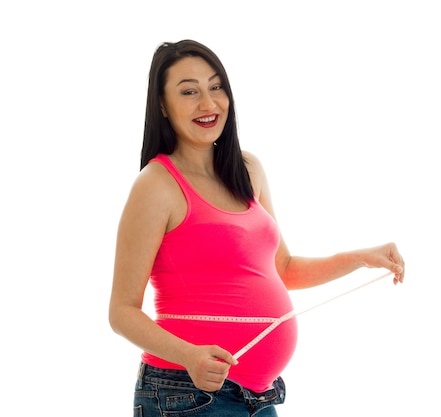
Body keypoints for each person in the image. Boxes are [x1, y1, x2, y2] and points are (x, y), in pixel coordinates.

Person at [108, 39, 405, 417]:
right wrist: (190, 356)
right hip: (187, 393)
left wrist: (361, 258)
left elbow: (283, 270)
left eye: (216, 87)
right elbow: (121, 311)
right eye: (189, 92)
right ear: (163, 106)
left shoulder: (247, 170)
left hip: (259, 395)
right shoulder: (156, 185)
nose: (207, 103)